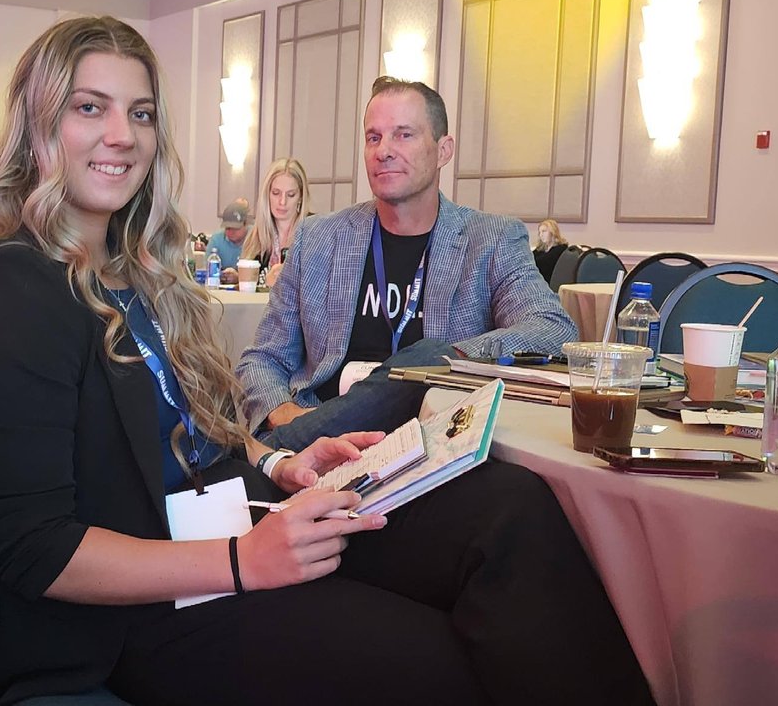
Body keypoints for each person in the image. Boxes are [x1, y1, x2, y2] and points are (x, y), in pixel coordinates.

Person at [0, 15, 693, 706]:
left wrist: (279, 463)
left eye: (142, 111)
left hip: (224, 521)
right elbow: (34, 551)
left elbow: (177, 442)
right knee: (472, 673)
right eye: (90, 107)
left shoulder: (126, 271)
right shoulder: (19, 286)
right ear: (38, 121)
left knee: (507, 508)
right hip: (141, 616)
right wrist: (244, 562)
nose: (122, 134)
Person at [237, 77, 577, 451]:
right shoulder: (319, 239)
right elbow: (263, 359)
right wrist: (285, 413)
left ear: (443, 150)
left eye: (404, 135)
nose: (384, 150)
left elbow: (554, 329)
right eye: (373, 138)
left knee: (426, 365)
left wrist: (450, 360)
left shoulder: (490, 240)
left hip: (430, 444)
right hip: (321, 446)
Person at [241, 158, 310, 288]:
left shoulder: (314, 233)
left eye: (290, 195)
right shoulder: (255, 238)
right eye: (276, 193)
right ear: (267, 194)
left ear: (301, 196)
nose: (282, 202)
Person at [205, 199, 249, 267]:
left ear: (246, 224)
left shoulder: (256, 239)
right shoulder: (216, 240)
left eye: (235, 228)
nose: (231, 232)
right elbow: (208, 269)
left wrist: (238, 276)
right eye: (228, 228)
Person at [534, 218, 569, 283]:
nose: (541, 235)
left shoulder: (560, 249)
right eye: (539, 232)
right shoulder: (541, 249)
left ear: (553, 232)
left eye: (544, 231)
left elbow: (542, 263)